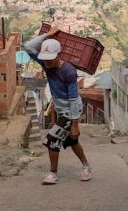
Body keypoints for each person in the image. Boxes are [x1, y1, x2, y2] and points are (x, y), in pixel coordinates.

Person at [23, 26, 93, 185]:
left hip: (71, 110)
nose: (46, 62)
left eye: (50, 59)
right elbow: (27, 47)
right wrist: (46, 35)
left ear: (58, 56)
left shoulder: (68, 71)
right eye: (45, 59)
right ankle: (86, 166)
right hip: (62, 109)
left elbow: (74, 99)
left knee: (51, 140)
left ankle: (53, 173)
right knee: (72, 142)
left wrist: (75, 123)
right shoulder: (45, 62)